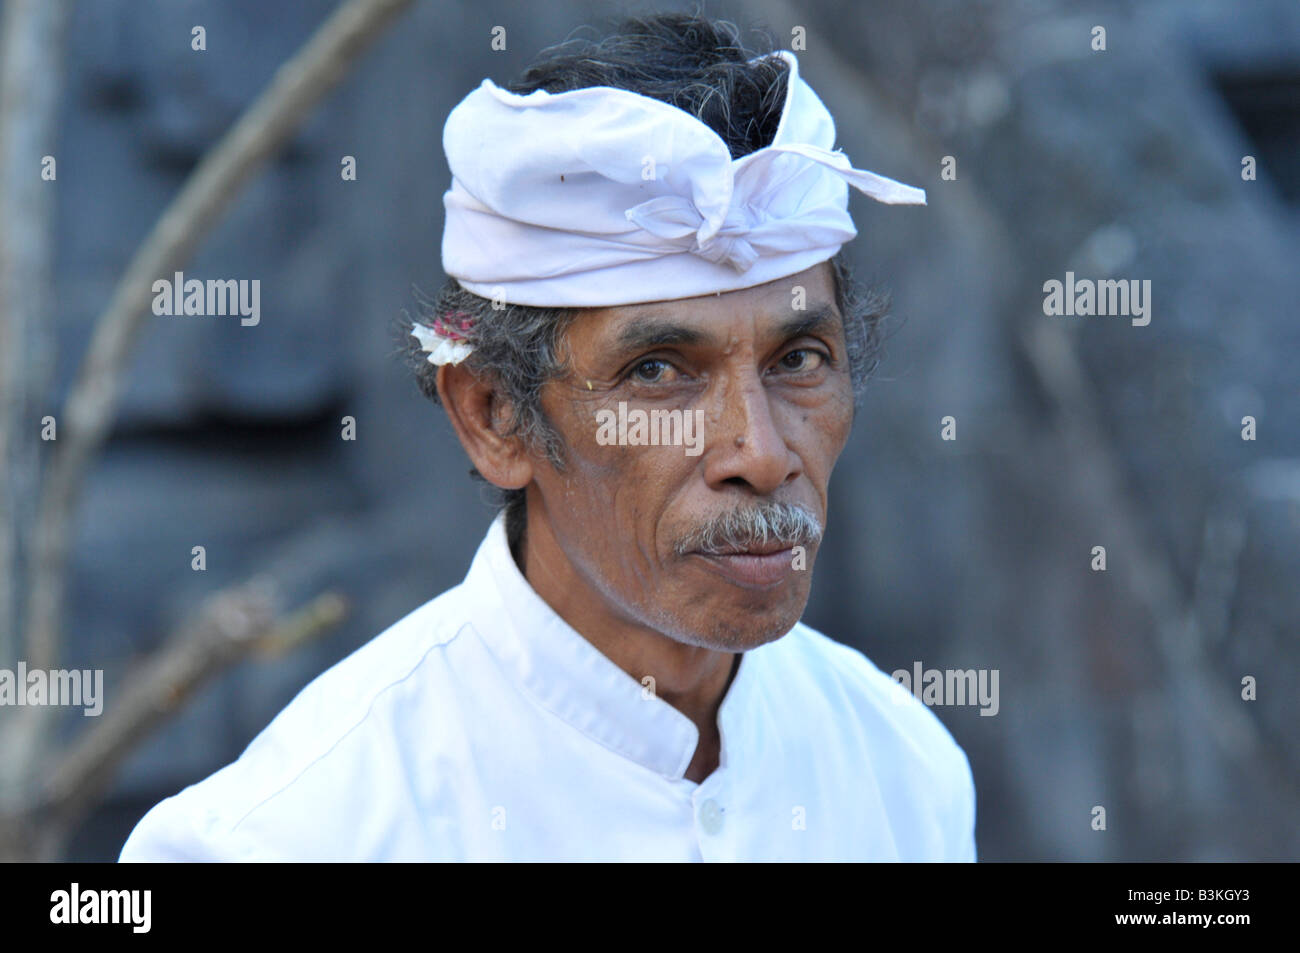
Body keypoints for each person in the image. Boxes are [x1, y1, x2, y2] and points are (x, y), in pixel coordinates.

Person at [120, 12, 976, 862]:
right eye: (658, 371)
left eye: (799, 357)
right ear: (495, 417)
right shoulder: (297, 834)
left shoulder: (902, 768)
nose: (760, 453)